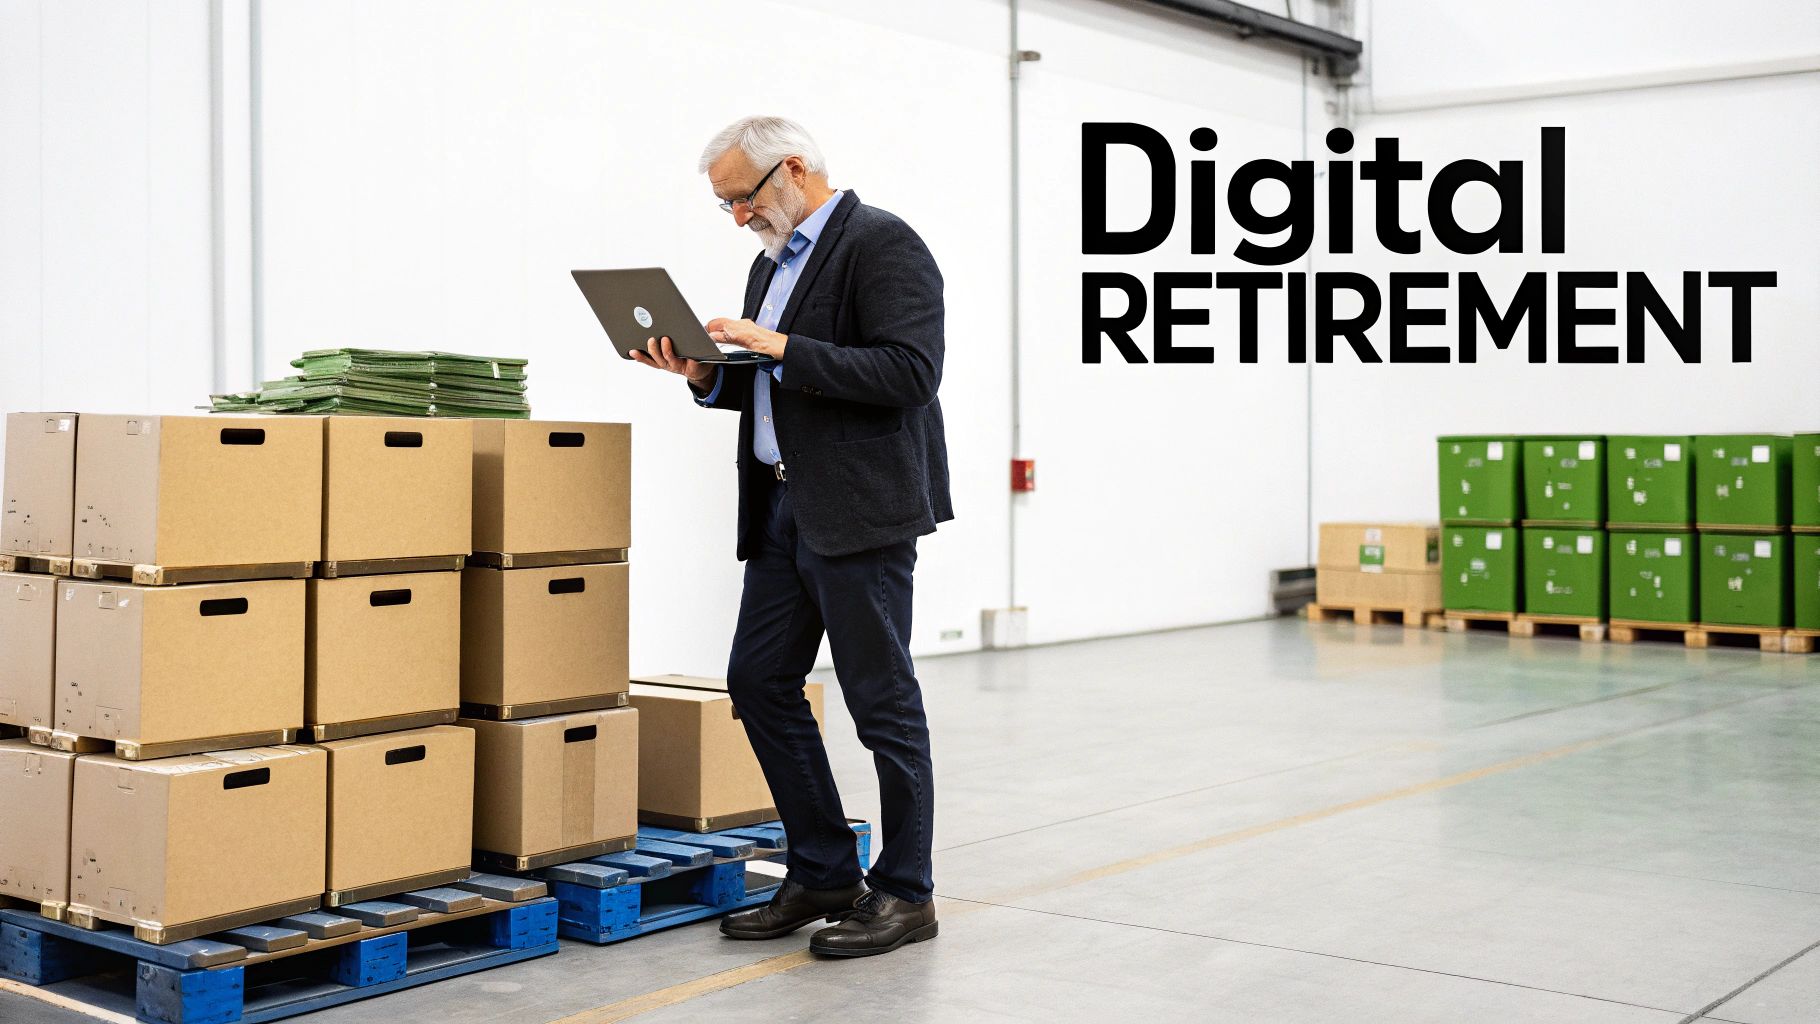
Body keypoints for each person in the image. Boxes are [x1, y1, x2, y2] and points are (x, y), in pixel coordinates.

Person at [628, 115, 950, 958]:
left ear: (795, 170)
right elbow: (776, 391)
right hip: (780, 508)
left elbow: (912, 373)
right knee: (760, 681)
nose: (737, 218)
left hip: (861, 512)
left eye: (742, 198)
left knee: (882, 704)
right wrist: (705, 375)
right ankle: (825, 872)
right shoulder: (768, 262)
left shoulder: (883, 244)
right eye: (725, 206)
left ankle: (907, 895)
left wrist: (782, 344)